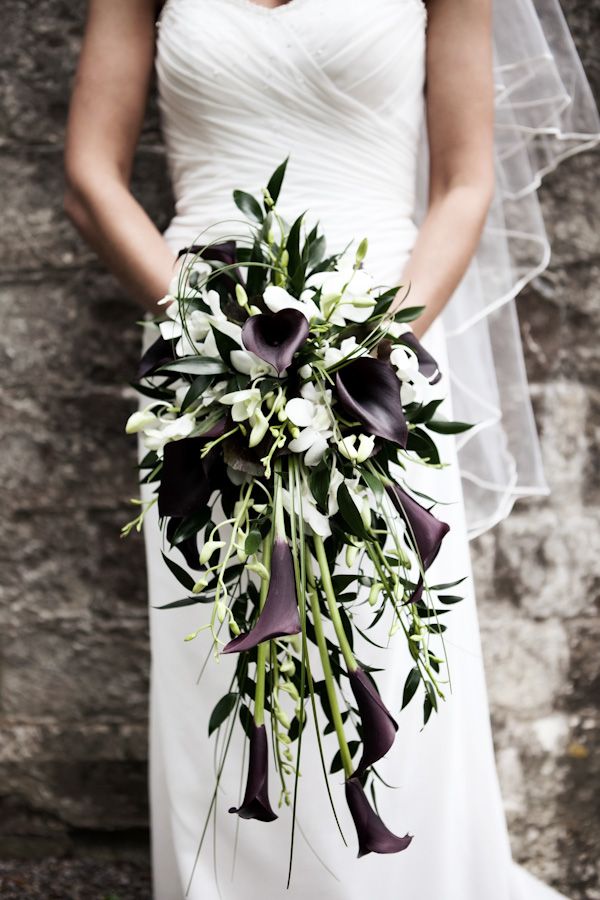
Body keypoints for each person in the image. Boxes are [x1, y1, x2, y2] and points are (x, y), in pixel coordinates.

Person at [63, 1, 598, 897]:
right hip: (201, 374)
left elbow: (465, 184)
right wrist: (214, 342)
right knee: (219, 664)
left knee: (387, 656)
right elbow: (89, 176)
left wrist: (368, 355)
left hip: (382, 363)